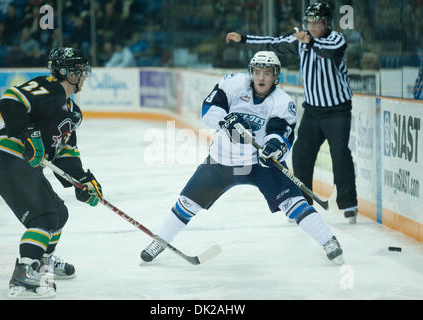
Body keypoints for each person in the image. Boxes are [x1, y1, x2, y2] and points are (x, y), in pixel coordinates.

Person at [140, 51, 344, 265]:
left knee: (293, 203)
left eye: (268, 72)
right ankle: (160, 241)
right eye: (258, 71)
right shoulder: (233, 84)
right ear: (251, 72)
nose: (262, 77)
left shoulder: (282, 101)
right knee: (186, 203)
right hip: (222, 161)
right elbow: (208, 110)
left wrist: (273, 147)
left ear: (276, 76)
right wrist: (226, 120)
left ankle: (328, 240)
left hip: (259, 163)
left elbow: (281, 133)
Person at [0, 48, 103, 298]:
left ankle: (43, 261)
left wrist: (83, 181)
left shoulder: (73, 112)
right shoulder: (47, 86)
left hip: (25, 166)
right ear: (68, 73)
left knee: (59, 213)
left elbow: (66, 153)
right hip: (9, 159)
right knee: (43, 218)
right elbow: (10, 101)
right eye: (81, 71)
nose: (84, 76)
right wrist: (30, 133)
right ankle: (25, 270)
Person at [226, 2, 358, 224]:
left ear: (327, 23)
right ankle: (303, 202)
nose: (313, 26)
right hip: (313, 111)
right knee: (300, 155)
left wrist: (310, 41)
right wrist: (244, 39)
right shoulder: (302, 41)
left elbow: (329, 51)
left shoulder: (336, 39)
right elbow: (273, 42)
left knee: (340, 156)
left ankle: (348, 204)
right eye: (310, 22)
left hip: (337, 111)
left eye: (318, 22)